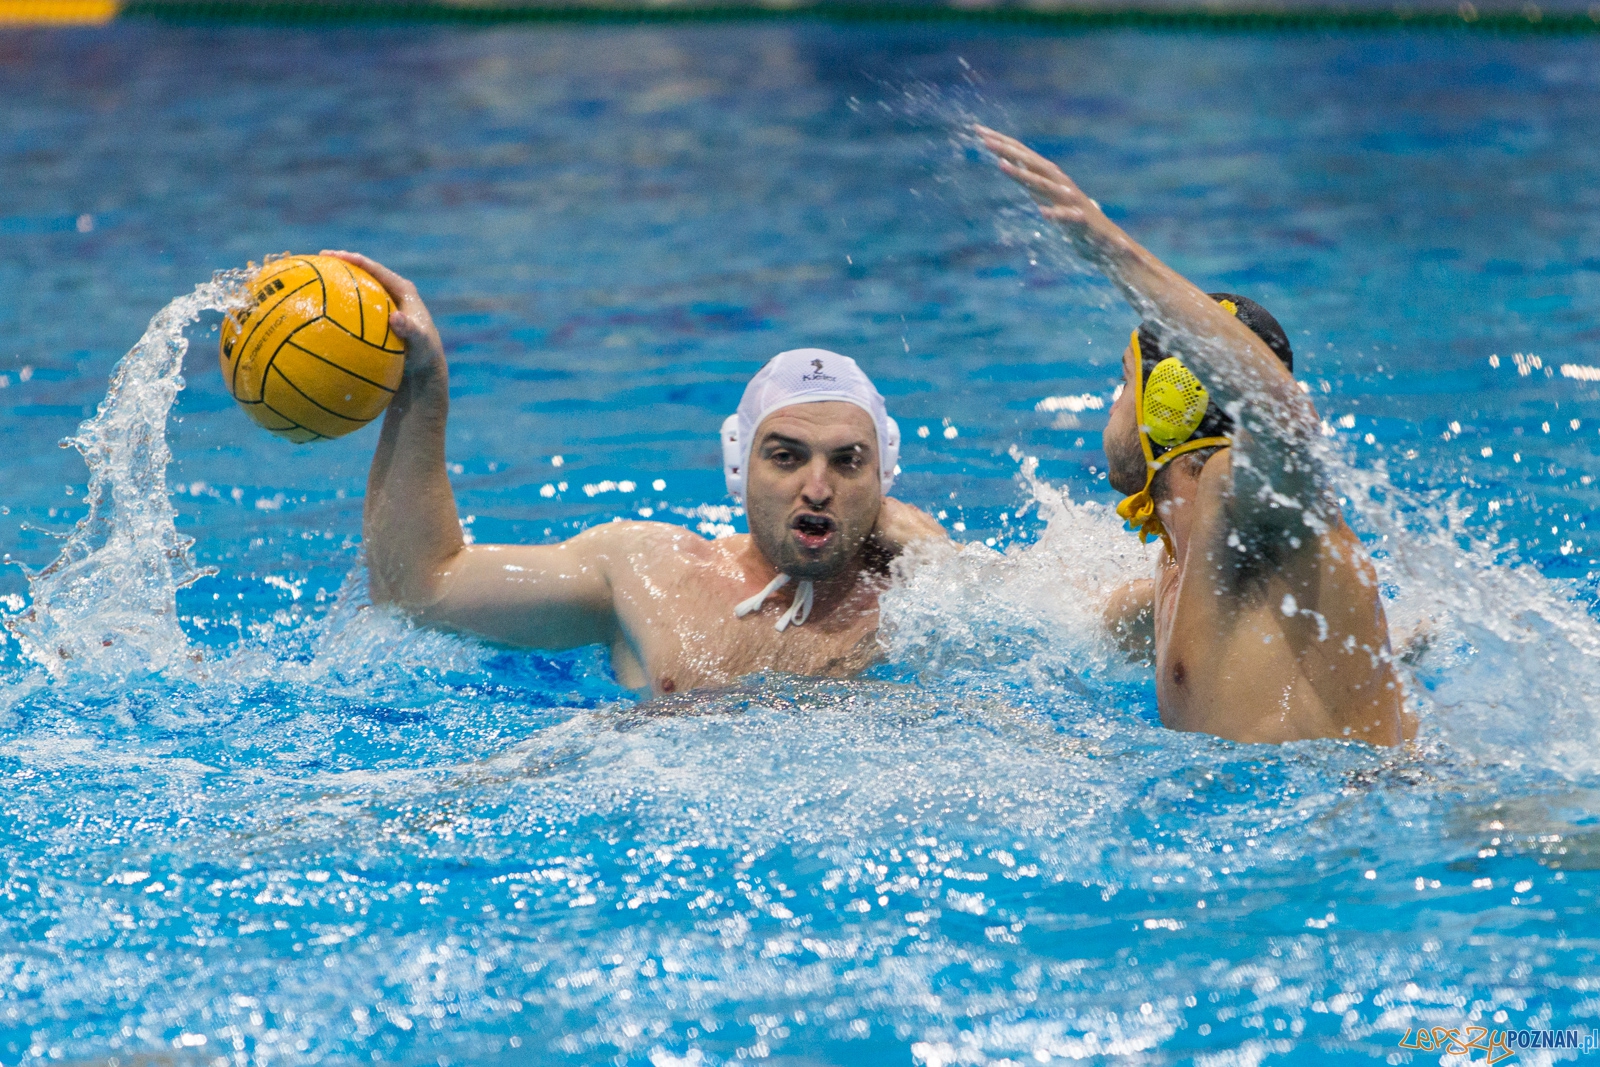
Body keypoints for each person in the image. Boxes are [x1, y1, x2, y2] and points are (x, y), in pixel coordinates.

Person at [320, 250, 947, 697]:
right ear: (739, 465)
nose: (817, 487)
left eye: (848, 461)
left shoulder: (928, 598)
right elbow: (419, 590)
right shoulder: (648, 572)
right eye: (785, 456)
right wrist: (422, 388)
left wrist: (941, 562)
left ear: (882, 474)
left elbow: (1041, 631)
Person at [978, 126, 1414, 746]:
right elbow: (1064, 614)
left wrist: (1110, 250)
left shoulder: (1242, 494)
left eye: (1123, 383)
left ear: (1169, 402)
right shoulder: (1180, 566)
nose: (1111, 406)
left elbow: (1285, 417)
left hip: (1377, 809)